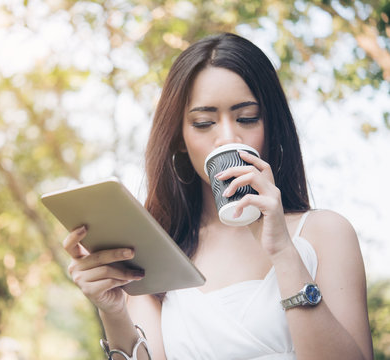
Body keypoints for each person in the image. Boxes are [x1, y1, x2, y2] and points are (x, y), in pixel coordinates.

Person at [62, 32, 373, 359]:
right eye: (203, 122)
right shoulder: (156, 254)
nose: (227, 136)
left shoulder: (325, 233)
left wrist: (283, 251)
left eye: (246, 118)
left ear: (272, 125)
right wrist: (113, 313)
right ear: (180, 138)